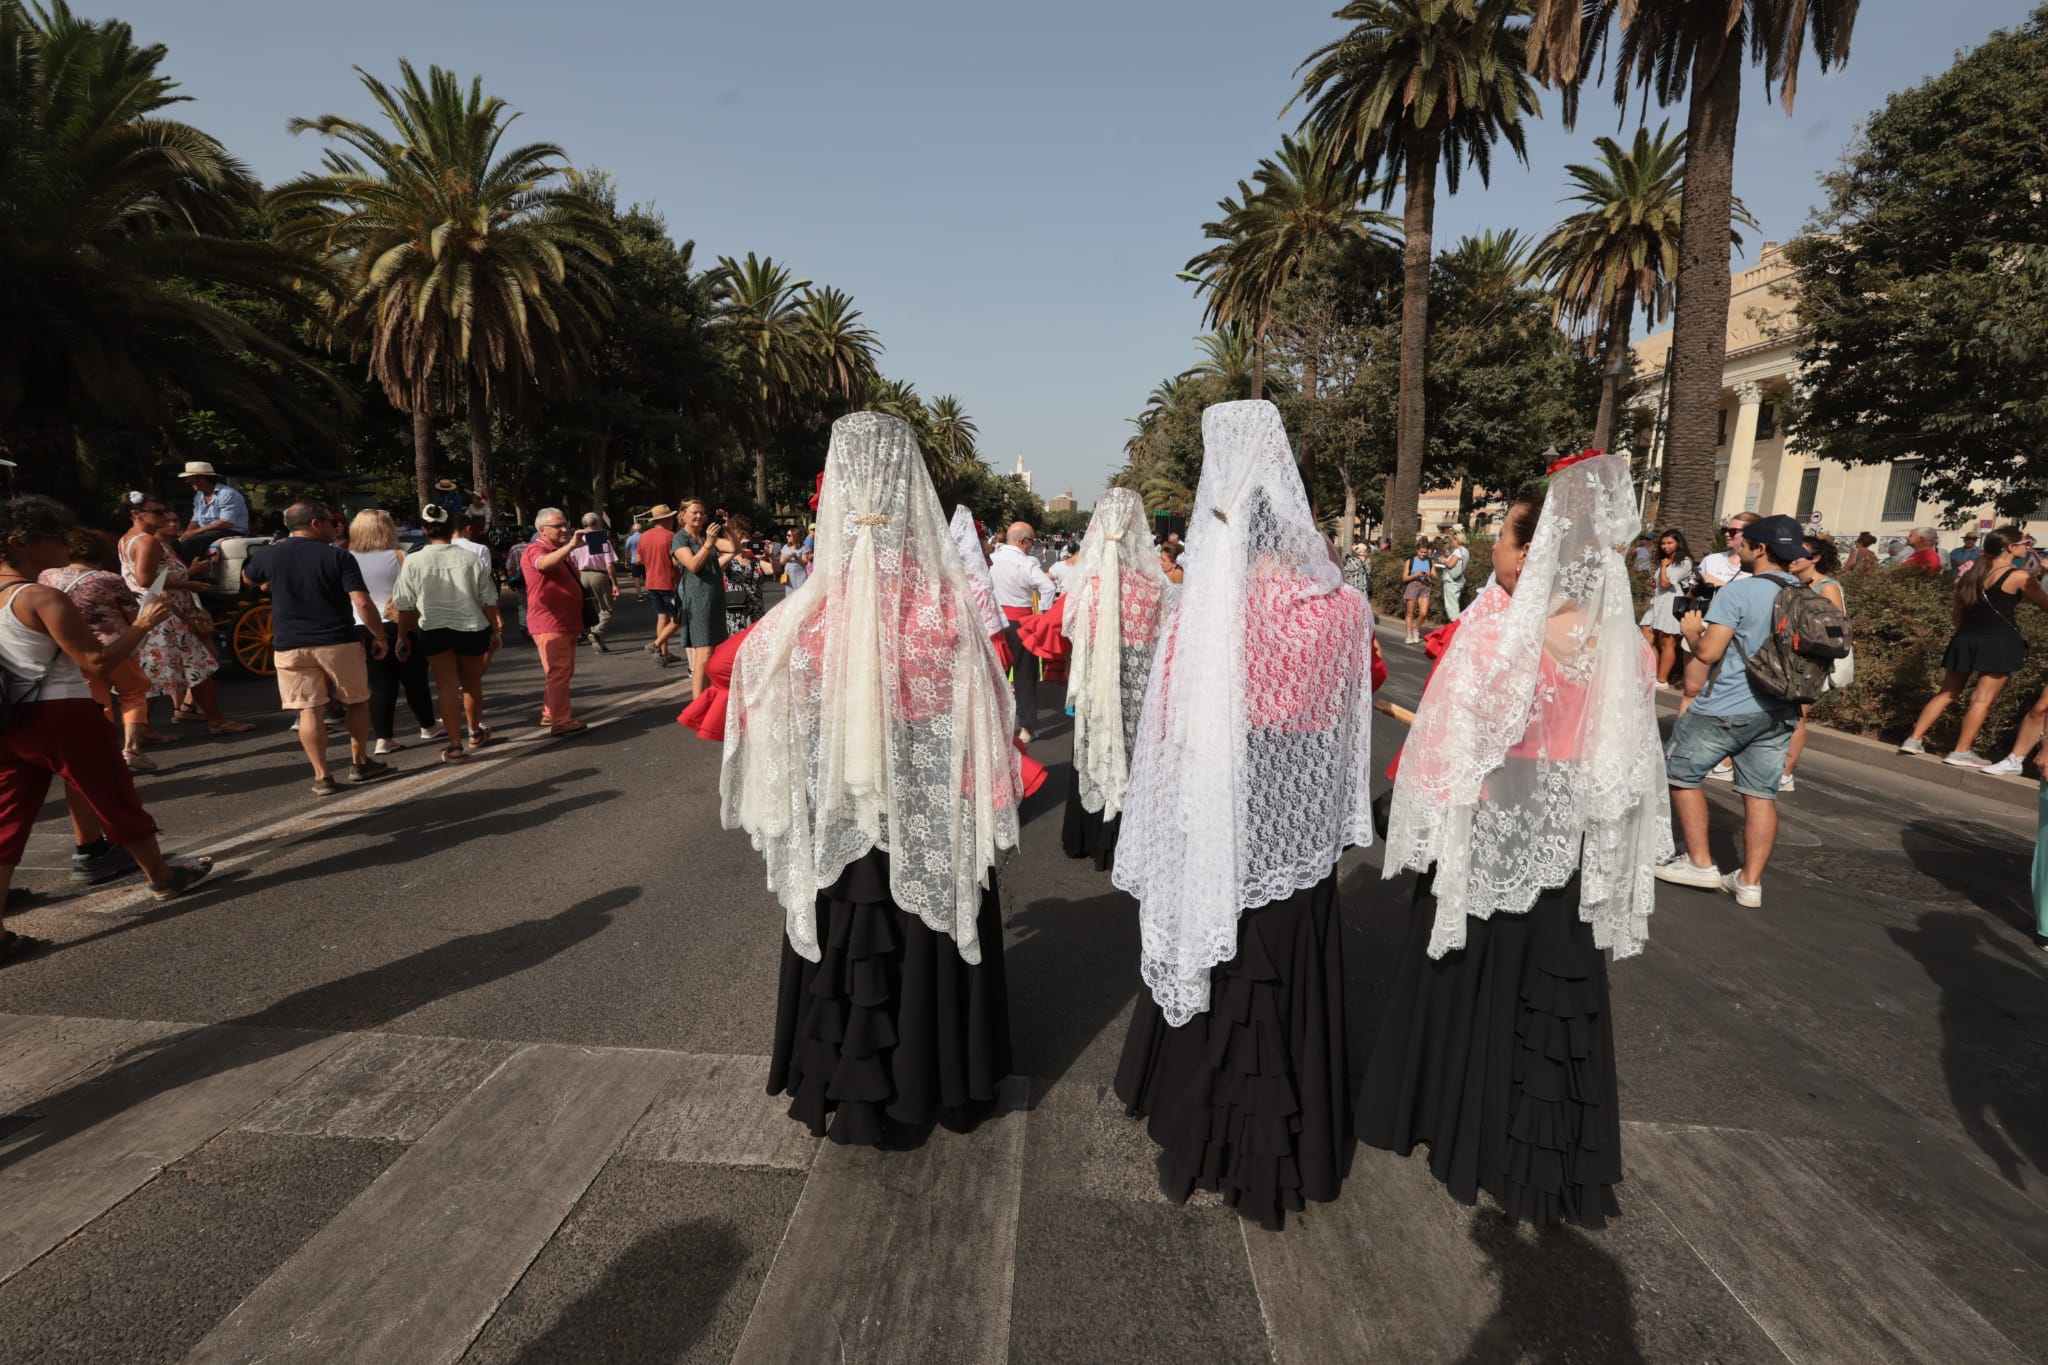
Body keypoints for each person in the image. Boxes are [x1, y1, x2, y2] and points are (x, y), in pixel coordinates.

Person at [1367, 449, 1667, 1227]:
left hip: (1493, 835)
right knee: (1550, 1002)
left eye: (1505, 531)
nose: (1497, 544)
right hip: (1564, 854)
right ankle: (1540, 1156)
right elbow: (1624, 770)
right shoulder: (1626, 645)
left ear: (1538, 547)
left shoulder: (1501, 639)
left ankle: (1453, 1123)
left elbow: (1451, 752)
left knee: (1469, 986)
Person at [1112, 399, 1375, 1230]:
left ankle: (1196, 1120)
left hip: (1219, 815)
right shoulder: (1343, 609)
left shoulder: (1206, 614)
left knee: (1219, 967)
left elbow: (1167, 732)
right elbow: (1345, 720)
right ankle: (1284, 1143)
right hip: (1293, 830)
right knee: (1283, 971)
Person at [722, 411, 1018, 1147]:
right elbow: (982, 717)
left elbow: (763, 692)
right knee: (930, 934)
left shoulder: (801, 617)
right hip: (923, 823)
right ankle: (939, 1076)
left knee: (845, 935)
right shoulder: (946, 609)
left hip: (841, 829)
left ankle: (839, 1078)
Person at [3, 495, 215, 962]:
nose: (65, 545)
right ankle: (162, 875)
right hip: (61, 711)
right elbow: (96, 659)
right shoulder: (40, 596)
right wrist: (141, 624)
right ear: (20, 543)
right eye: (54, 537)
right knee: (113, 794)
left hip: (9, 719)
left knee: (8, 820)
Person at [1655, 514, 1813, 907]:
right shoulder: (1807, 592)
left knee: (1680, 773)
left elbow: (1708, 652)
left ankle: (1700, 863)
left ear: (1760, 549)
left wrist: (1692, 629)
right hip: (1781, 709)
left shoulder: (1739, 593)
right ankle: (1750, 882)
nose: (1736, 548)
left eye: (1742, 543)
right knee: (1761, 794)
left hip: (1727, 704)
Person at [243, 501, 393, 795]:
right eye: (329, 522)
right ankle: (359, 762)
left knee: (309, 710)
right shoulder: (337, 556)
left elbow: (249, 577)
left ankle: (322, 775)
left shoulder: (269, 555)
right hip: (337, 640)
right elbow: (361, 602)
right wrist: (379, 635)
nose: (335, 528)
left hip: (290, 645)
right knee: (356, 700)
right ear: (314, 523)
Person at [1058, 489, 1166, 871]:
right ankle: (1127, 839)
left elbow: (1067, 627)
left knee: (1094, 748)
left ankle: (1085, 835)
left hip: (1096, 687)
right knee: (1132, 752)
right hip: (1136, 687)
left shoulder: (1087, 583)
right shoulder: (1154, 587)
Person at [1898, 526, 2048, 766]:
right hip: (1999, 641)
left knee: (1947, 692)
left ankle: (1913, 739)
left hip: (1965, 638)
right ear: (2011, 547)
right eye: (2026, 543)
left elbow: (1957, 612)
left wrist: (1964, 633)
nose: (2028, 547)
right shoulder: (2018, 576)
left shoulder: (1970, 575)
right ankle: (1961, 750)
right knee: (1981, 699)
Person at [118, 492, 251, 736]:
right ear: (136, 514)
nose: (164, 516)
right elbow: (145, 579)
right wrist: (188, 584)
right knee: (194, 668)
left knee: (166, 671)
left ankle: (143, 730)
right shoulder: (147, 541)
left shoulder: (128, 539)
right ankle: (215, 721)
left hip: (153, 611)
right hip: (167, 612)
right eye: (157, 512)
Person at [394, 505, 503, 761]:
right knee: (472, 684)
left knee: (446, 685)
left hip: (433, 628)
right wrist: (495, 629)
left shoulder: (413, 560)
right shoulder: (470, 558)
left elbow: (404, 603)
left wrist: (401, 635)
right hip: (471, 627)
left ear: (423, 529)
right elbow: (487, 597)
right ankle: (475, 731)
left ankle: (455, 744)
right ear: (451, 528)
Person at [41, 529, 155, 772]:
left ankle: (106, 752)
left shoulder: (48, 576)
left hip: (74, 649)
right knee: (133, 692)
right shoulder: (109, 579)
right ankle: (132, 750)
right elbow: (134, 614)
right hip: (116, 646)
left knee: (97, 700)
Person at [348, 510, 436, 756]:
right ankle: (428, 725)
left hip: (360, 625)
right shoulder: (399, 556)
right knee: (415, 679)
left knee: (379, 686)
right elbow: (412, 593)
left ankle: (383, 738)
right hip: (397, 622)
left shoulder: (346, 557)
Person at [1777, 535, 1848, 793]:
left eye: (1800, 553)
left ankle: (1785, 774)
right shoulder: (1790, 582)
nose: (1792, 557)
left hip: (1809, 661)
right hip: (1784, 658)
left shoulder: (1827, 586)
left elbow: (1835, 629)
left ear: (1815, 558)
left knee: (1797, 717)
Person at [520, 508, 589, 737]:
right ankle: (561, 720)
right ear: (542, 530)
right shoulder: (536, 549)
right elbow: (543, 565)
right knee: (559, 671)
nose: (564, 529)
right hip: (550, 622)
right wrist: (571, 546)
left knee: (562, 671)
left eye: (564, 524)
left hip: (565, 622)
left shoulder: (561, 551)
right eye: (557, 526)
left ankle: (551, 712)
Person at [990, 521, 1058, 742]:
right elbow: (1048, 587)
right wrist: (1044, 615)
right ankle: (1026, 727)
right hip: (1023, 624)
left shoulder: (992, 559)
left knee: (995, 676)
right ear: (1021, 541)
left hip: (995, 623)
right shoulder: (1026, 564)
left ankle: (992, 723)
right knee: (1025, 676)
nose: (1032, 546)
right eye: (1031, 541)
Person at [671, 499, 730, 699]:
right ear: (683, 515)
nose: (699, 516)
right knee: (703, 655)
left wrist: (727, 528)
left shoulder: (706, 536)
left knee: (714, 654)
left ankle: (706, 697)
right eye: (694, 512)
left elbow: (734, 549)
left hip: (715, 600)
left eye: (702, 513)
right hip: (697, 601)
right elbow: (693, 565)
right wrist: (708, 544)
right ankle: (698, 704)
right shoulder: (680, 539)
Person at [1637, 529, 1693, 687]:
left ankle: (1662, 680)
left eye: (1669, 543)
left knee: (1667, 643)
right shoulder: (1667, 560)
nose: (1665, 546)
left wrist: (1663, 567)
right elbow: (1660, 584)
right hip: (1657, 603)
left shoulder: (1684, 562)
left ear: (1678, 543)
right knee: (1646, 638)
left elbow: (1666, 583)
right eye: (1663, 543)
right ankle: (1651, 673)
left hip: (1671, 604)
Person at [175, 461, 250, 562]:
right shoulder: (199, 495)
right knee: (176, 543)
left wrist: (196, 532)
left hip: (231, 531)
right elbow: (196, 519)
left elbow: (226, 522)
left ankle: (194, 572)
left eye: (190, 478)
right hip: (208, 531)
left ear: (202, 478)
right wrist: (187, 533)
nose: (187, 481)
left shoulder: (227, 494)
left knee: (192, 542)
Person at [638, 504, 682, 667]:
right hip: (668, 582)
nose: (672, 519)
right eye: (670, 517)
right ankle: (656, 644)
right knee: (679, 617)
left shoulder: (644, 536)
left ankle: (664, 653)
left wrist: (652, 560)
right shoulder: (671, 536)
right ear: (665, 519)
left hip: (651, 581)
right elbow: (676, 562)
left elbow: (638, 560)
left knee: (662, 617)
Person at [571, 512, 620, 652]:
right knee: (605, 607)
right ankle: (596, 632)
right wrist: (615, 583)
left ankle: (598, 643)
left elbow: (572, 561)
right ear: (597, 523)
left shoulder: (578, 539)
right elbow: (609, 564)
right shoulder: (599, 539)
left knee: (593, 608)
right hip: (598, 575)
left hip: (582, 575)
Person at [715, 513, 766, 636]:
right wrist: (735, 550)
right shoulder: (723, 554)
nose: (745, 542)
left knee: (755, 641)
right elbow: (717, 569)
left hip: (755, 607)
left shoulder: (753, 559)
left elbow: (772, 569)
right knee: (735, 644)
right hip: (735, 608)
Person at [1400, 541, 1435, 644]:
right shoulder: (1410, 561)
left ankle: (1416, 630)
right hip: (1413, 586)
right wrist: (1415, 575)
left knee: (1423, 613)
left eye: (1425, 552)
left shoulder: (1430, 561)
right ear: (1417, 551)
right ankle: (1409, 635)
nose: (1423, 554)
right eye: (1421, 552)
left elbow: (1436, 576)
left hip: (1425, 587)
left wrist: (1430, 574)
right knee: (1410, 612)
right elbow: (1404, 578)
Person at [1439, 529, 1471, 619]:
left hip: (1451, 581)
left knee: (1451, 606)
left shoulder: (1457, 551)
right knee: (1454, 603)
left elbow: (1450, 564)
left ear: (1457, 540)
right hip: (1459, 580)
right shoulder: (1465, 551)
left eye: (1453, 540)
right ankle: (1456, 625)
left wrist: (1443, 560)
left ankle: (1455, 626)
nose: (1452, 542)